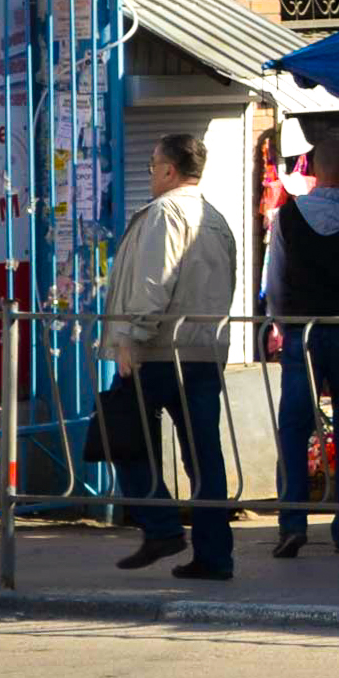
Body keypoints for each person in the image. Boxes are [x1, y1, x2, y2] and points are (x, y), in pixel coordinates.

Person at [101, 133, 239, 580]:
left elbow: (153, 282)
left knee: (119, 432)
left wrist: (130, 337)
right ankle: (214, 556)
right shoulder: (215, 218)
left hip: (159, 350)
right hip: (204, 351)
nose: (150, 174)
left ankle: (160, 525)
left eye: (152, 165)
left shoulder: (164, 214)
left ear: (168, 169)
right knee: (203, 455)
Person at [265, 135, 339, 558]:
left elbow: (275, 280)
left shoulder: (287, 216)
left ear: (314, 174)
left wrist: (281, 323)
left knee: (294, 425)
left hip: (303, 332)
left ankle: (292, 522)